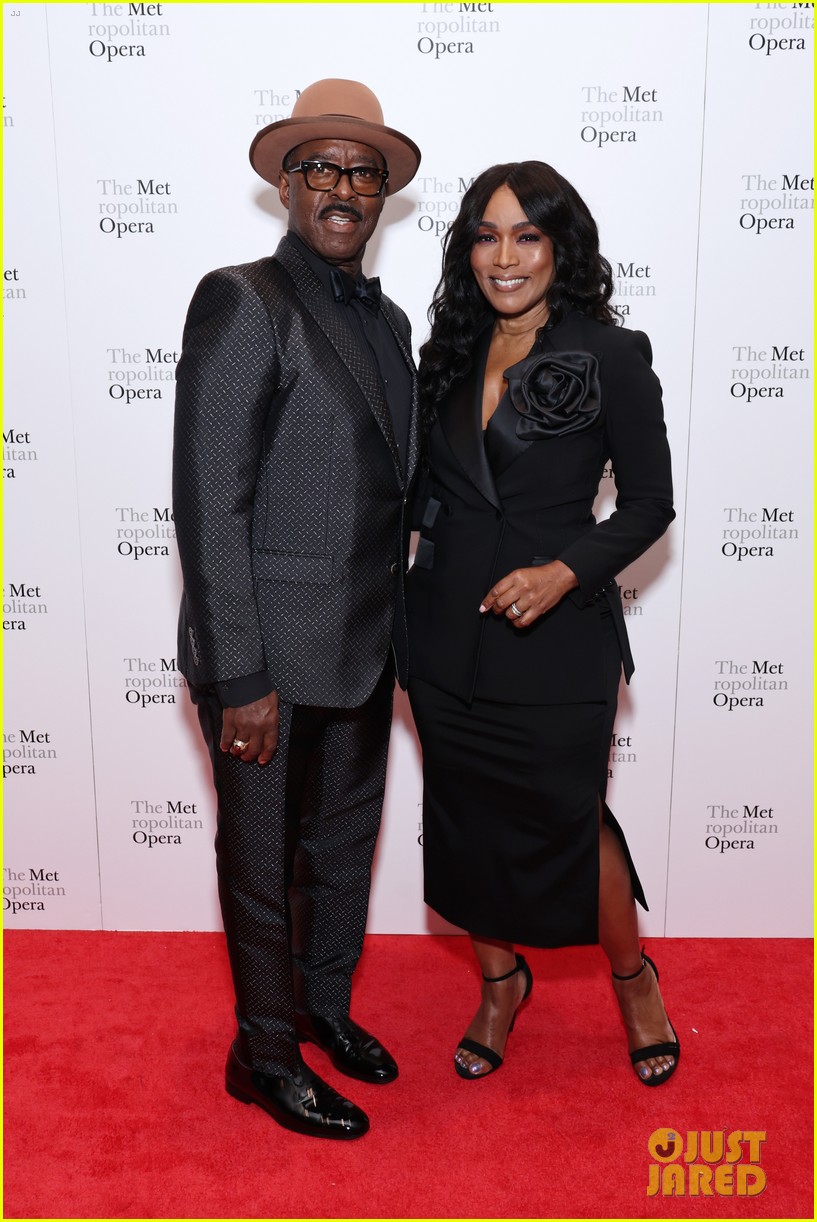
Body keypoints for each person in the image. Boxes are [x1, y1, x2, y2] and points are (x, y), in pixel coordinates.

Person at [172, 80, 421, 1139]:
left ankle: (322, 1009)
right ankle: (262, 1052)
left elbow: (393, 483)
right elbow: (208, 496)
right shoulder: (241, 299)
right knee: (263, 864)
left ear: (381, 198)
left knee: (341, 849)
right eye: (321, 167)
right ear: (285, 183)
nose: (343, 189)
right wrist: (240, 674)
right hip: (267, 659)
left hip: (365, 647)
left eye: (362, 173)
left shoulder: (392, 319)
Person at [406, 162, 679, 1085]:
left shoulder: (609, 355)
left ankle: (633, 979)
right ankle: (498, 982)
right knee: (463, 819)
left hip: (555, 647)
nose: (505, 256)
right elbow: (418, 497)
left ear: (560, 248)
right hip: (444, 637)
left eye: (526, 235)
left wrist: (565, 571)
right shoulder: (443, 353)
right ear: (466, 249)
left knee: (571, 822)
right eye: (486, 235)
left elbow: (648, 507)